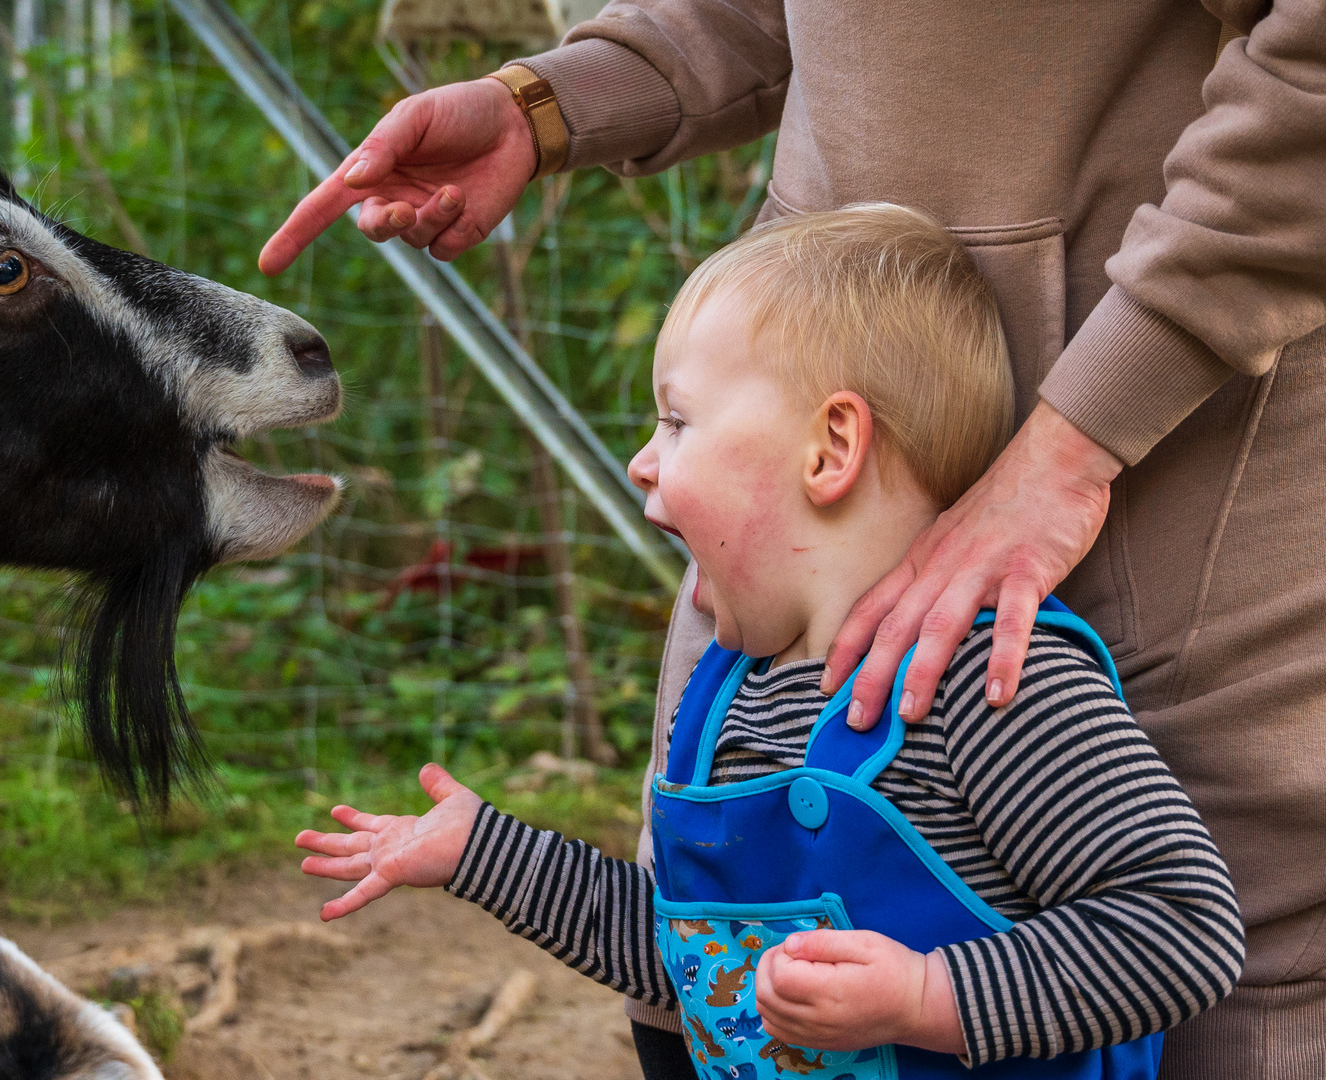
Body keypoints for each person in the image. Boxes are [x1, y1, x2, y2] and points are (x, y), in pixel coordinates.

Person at [263, 5, 1326, 1073]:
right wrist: (485, 853)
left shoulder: (993, 688)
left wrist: (927, 995)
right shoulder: (737, 692)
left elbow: (1182, 932)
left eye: (676, 422)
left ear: (832, 449)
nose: (641, 460)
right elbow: (696, 955)